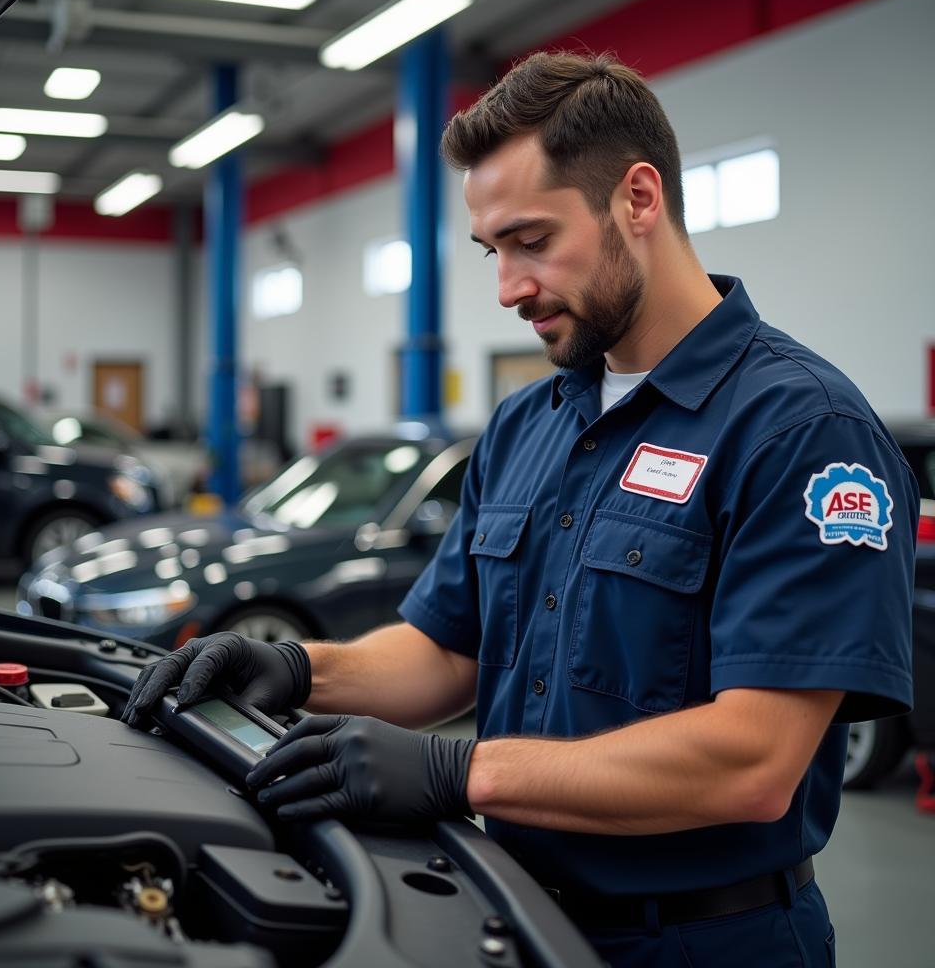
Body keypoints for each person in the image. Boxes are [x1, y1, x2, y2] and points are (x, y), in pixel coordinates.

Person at [124, 51, 917, 967]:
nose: (507, 288)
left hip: (706, 940)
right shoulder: (526, 424)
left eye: (533, 241)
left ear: (640, 199)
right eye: (492, 250)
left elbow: (754, 760)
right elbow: (447, 648)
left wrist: (457, 772)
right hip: (512, 915)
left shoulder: (800, 430)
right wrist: (294, 669)